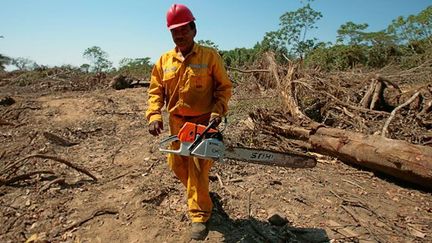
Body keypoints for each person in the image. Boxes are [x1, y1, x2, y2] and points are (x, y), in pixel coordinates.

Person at [145, 3, 232, 241]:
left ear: (194, 29)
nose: (179, 35)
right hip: (176, 123)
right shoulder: (164, 61)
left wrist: (218, 111)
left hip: (203, 122)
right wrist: (154, 115)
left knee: (197, 169)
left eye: (184, 29)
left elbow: (224, 88)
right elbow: (156, 91)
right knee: (177, 165)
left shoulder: (209, 56)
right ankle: (201, 193)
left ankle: (199, 215)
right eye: (174, 31)